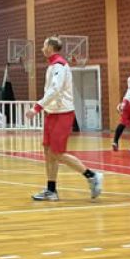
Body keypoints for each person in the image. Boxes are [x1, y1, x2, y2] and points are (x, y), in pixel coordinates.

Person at [23, 36, 103, 202]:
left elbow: (55, 90)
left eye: (44, 46)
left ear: (50, 47)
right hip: (52, 113)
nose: (42, 49)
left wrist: (37, 107)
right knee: (48, 152)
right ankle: (51, 190)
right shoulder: (52, 65)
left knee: (57, 153)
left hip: (62, 113)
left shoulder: (59, 65)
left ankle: (92, 175)